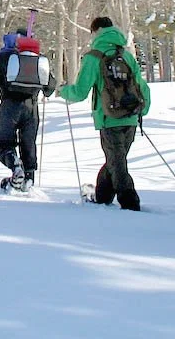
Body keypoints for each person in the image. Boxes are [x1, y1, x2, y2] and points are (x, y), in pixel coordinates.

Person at [56, 16, 150, 210]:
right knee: (115, 160)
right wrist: (143, 109)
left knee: (117, 163)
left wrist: (63, 91)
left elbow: (80, 92)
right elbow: (142, 86)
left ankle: (130, 203)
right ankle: (102, 197)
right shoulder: (126, 55)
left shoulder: (94, 57)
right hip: (131, 117)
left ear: (96, 31)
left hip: (109, 118)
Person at [0, 29, 54, 191]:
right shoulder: (36, 59)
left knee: (4, 145)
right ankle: (28, 179)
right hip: (31, 108)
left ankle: (15, 166)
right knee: (28, 144)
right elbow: (50, 87)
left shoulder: (3, 57)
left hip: (8, 107)